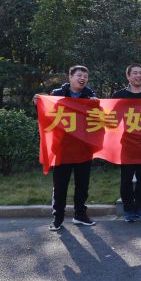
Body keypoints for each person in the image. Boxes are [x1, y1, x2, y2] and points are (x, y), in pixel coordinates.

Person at [46, 66, 99, 231]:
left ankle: (80, 215)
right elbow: (46, 114)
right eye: (79, 75)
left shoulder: (90, 96)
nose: (82, 79)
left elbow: (99, 120)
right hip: (62, 148)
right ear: (70, 77)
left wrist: (97, 105)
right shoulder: (57, 94)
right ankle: (58, 218)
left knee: (82, 185)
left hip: (83, 148)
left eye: (85, 76)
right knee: (60, 186)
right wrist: (37, 103)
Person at [112, 63, 141, 222]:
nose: (138, 76)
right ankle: (128, 209)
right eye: (135, 73)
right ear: (128, 76)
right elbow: (112, 117)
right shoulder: (119, 95)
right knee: (126, 179)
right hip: (127, 143)